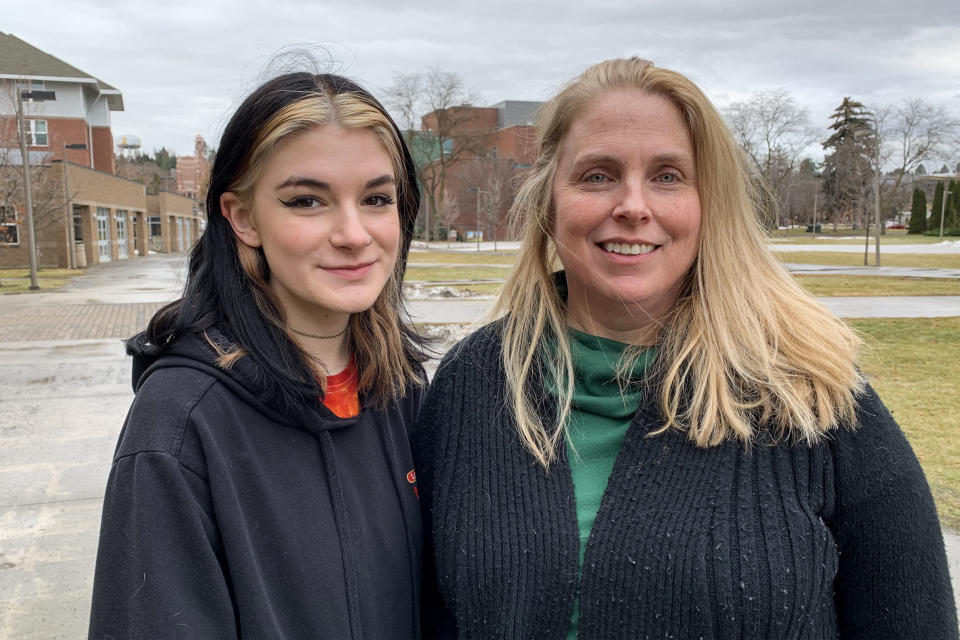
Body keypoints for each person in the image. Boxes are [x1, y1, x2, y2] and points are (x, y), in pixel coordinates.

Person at [413, 58, 958, 639]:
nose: (633, 205)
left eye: (668, 176)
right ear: (549, 198)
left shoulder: (814, 399)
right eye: (597, 175)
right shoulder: (472, 385)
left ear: (709, 202)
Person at [89, 72, 428, 639]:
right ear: (243, 218)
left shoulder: (402, 390)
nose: (353, 233)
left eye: (376, 198)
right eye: (307, 200)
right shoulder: (180, 426)